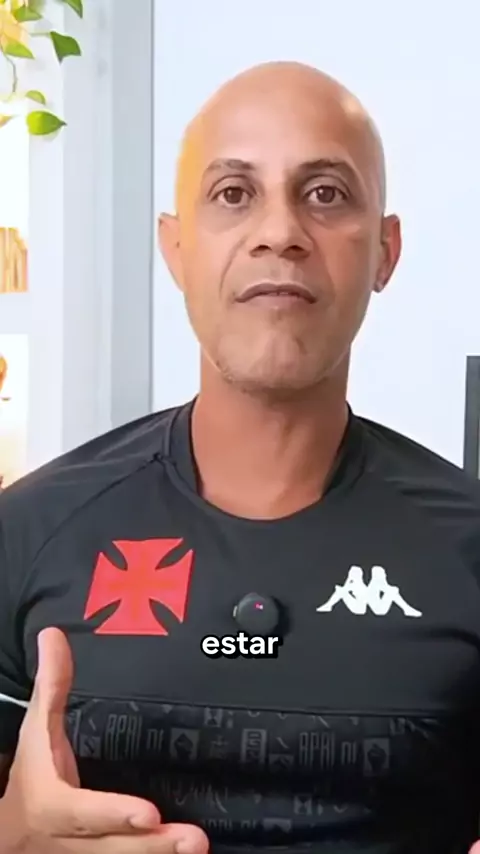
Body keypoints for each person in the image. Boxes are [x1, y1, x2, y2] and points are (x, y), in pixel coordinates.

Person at [1, 60, 480, 854]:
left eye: (325, 193)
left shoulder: (466, 548)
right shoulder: (28, 531)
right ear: (176, 249)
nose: (279, 231)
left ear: (385, 251)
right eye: (233, 193)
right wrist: (12, 835)